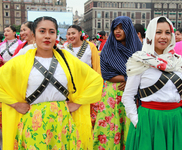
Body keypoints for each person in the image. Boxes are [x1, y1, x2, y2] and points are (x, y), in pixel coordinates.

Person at [0, 16, 103, 150]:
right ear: (34, 34)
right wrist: (15, 104)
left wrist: (77, 103)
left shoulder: (68, 59)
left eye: (51, 32)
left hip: (63, 122)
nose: (47, 36)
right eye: (42, 31)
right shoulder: (20, 61)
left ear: (56, 35)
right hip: (33, 123)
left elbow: (95, 80)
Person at [122, 16, 182, 150]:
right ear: (151, 34)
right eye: (158, 32)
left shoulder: (176, 61)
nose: (163, 36)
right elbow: (128, 96)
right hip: (149, 121)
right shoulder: (139, 60)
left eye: (167, 32)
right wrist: (137, 122)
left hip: (177, 121)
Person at [93, 16, 142, 150]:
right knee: (110, 129)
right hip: (112, 95)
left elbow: (145, 70)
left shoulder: (139, 49)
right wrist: (127, 78)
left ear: (129, 30)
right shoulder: (108, 49)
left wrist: (130, 81)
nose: (118, 31)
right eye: (115, 28)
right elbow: (107, 74)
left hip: (134, 95)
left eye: (121, 28)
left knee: (130, 126)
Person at [66, 25, 101, 128]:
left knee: (89, 115)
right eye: (68, 34)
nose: (71, 36)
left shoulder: (90, 46)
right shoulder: (66, 48)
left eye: (73, 33)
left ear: (80, 33)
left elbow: (96, 66)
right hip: (72, 87)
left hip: (87, 85)